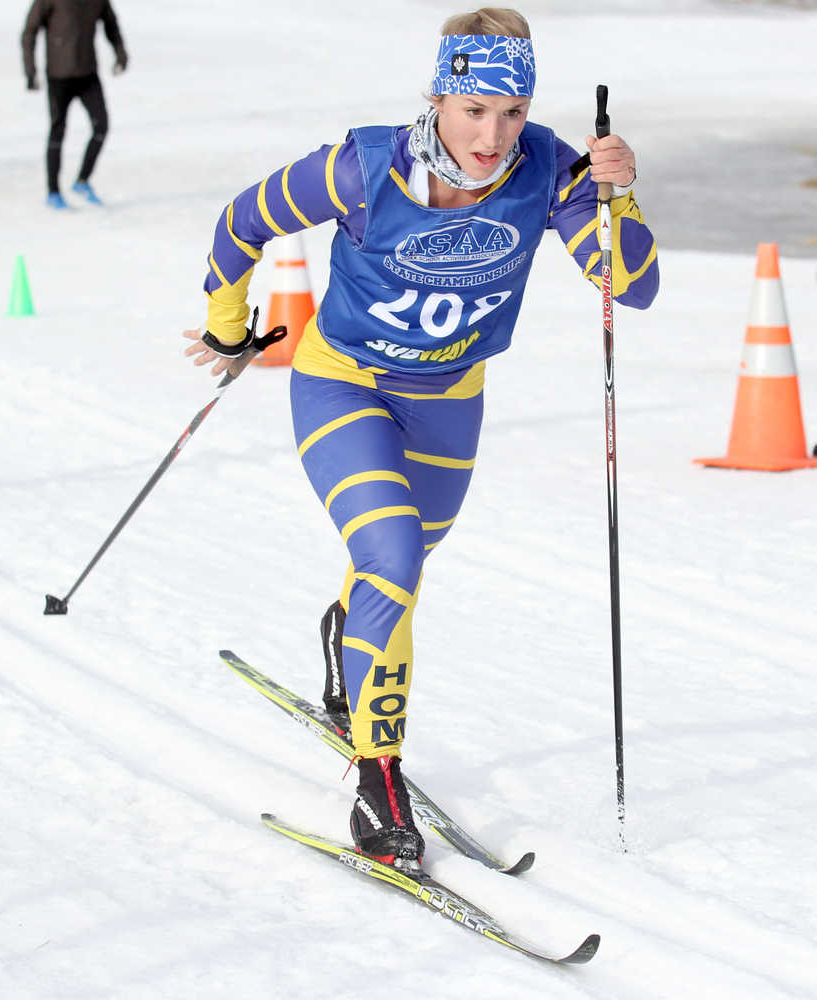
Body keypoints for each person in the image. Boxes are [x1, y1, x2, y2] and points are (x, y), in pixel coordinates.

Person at [184, 7, 658, 867]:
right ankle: (379, 778)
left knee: (401, 565)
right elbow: (242, 220)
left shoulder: (551, 169)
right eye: (473, 109)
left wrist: (615, 194)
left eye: (511, 112)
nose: (492, 134)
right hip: (344, 385)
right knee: (393, 558)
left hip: (449, 400)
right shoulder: (362, 171)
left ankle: (345, 631)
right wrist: (226, 327)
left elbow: (629, 285)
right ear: (437, 96)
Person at [21, 0, 128, 209]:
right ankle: (53, 192)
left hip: (87, 74)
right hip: (58, 75)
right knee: (58, 130)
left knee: (101, 126)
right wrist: (30, 71)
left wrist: (120, 53)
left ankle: (82, 181)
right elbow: (29, 31)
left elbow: (111, 24)